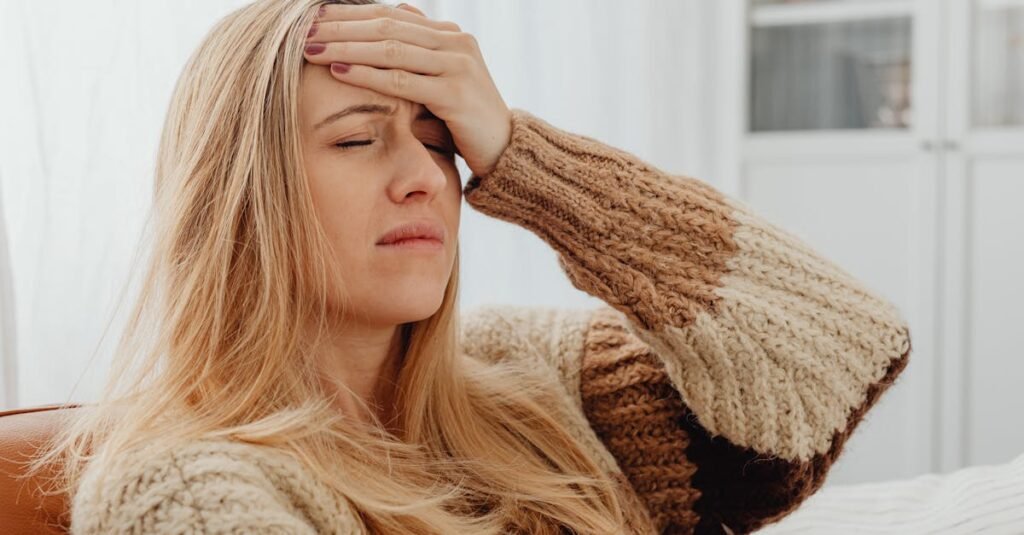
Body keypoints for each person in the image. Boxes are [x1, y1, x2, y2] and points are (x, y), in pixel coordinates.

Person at [26, 1, 912, 533]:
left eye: (440, 138)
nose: (424, 178)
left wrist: (525, 156)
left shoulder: (533, 375)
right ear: (240, 197)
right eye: (356, 139)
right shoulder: (187, 487)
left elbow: (842, 346)